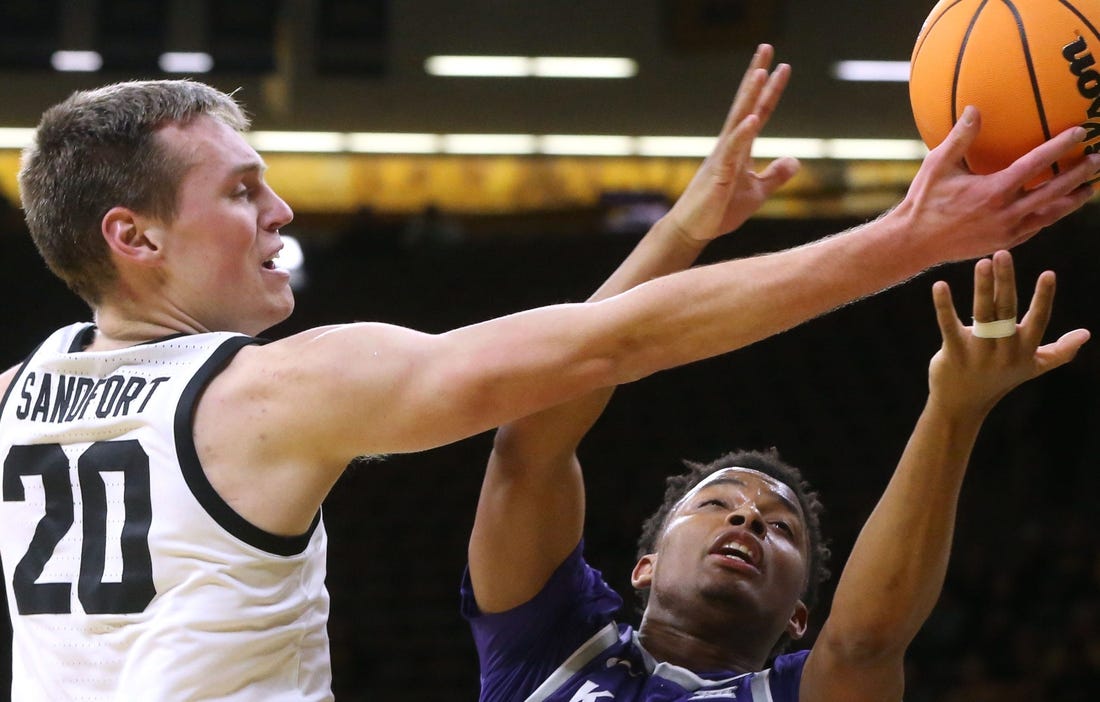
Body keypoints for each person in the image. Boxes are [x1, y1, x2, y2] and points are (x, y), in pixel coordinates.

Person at [0, 43, 1095, 700]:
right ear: (134, 239)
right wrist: (902, 239)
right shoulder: (269, 390)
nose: (279, 211)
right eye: (241, 191)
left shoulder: (16, 397)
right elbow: (599, 350)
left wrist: (683, 228)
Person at [463, 242, 1088, 702]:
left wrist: (955, 410)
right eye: (715, 504)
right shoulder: (551, 644)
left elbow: (866, 641)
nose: (747, 516)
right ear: (644, 566)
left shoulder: (793, 694)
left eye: (782, 529)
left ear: (797, 617)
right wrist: (681, 231)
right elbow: (527, 453)